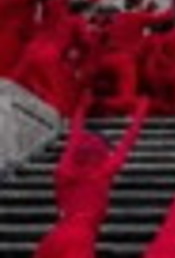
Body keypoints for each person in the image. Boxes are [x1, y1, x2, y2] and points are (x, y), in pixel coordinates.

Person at [35, 96, 148, 258]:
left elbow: (73, 139)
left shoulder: (65, 169)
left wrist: (81, 108)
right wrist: (140, 112)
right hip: (81, 236)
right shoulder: (102, 172)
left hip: (55, 235)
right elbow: (127, 141)